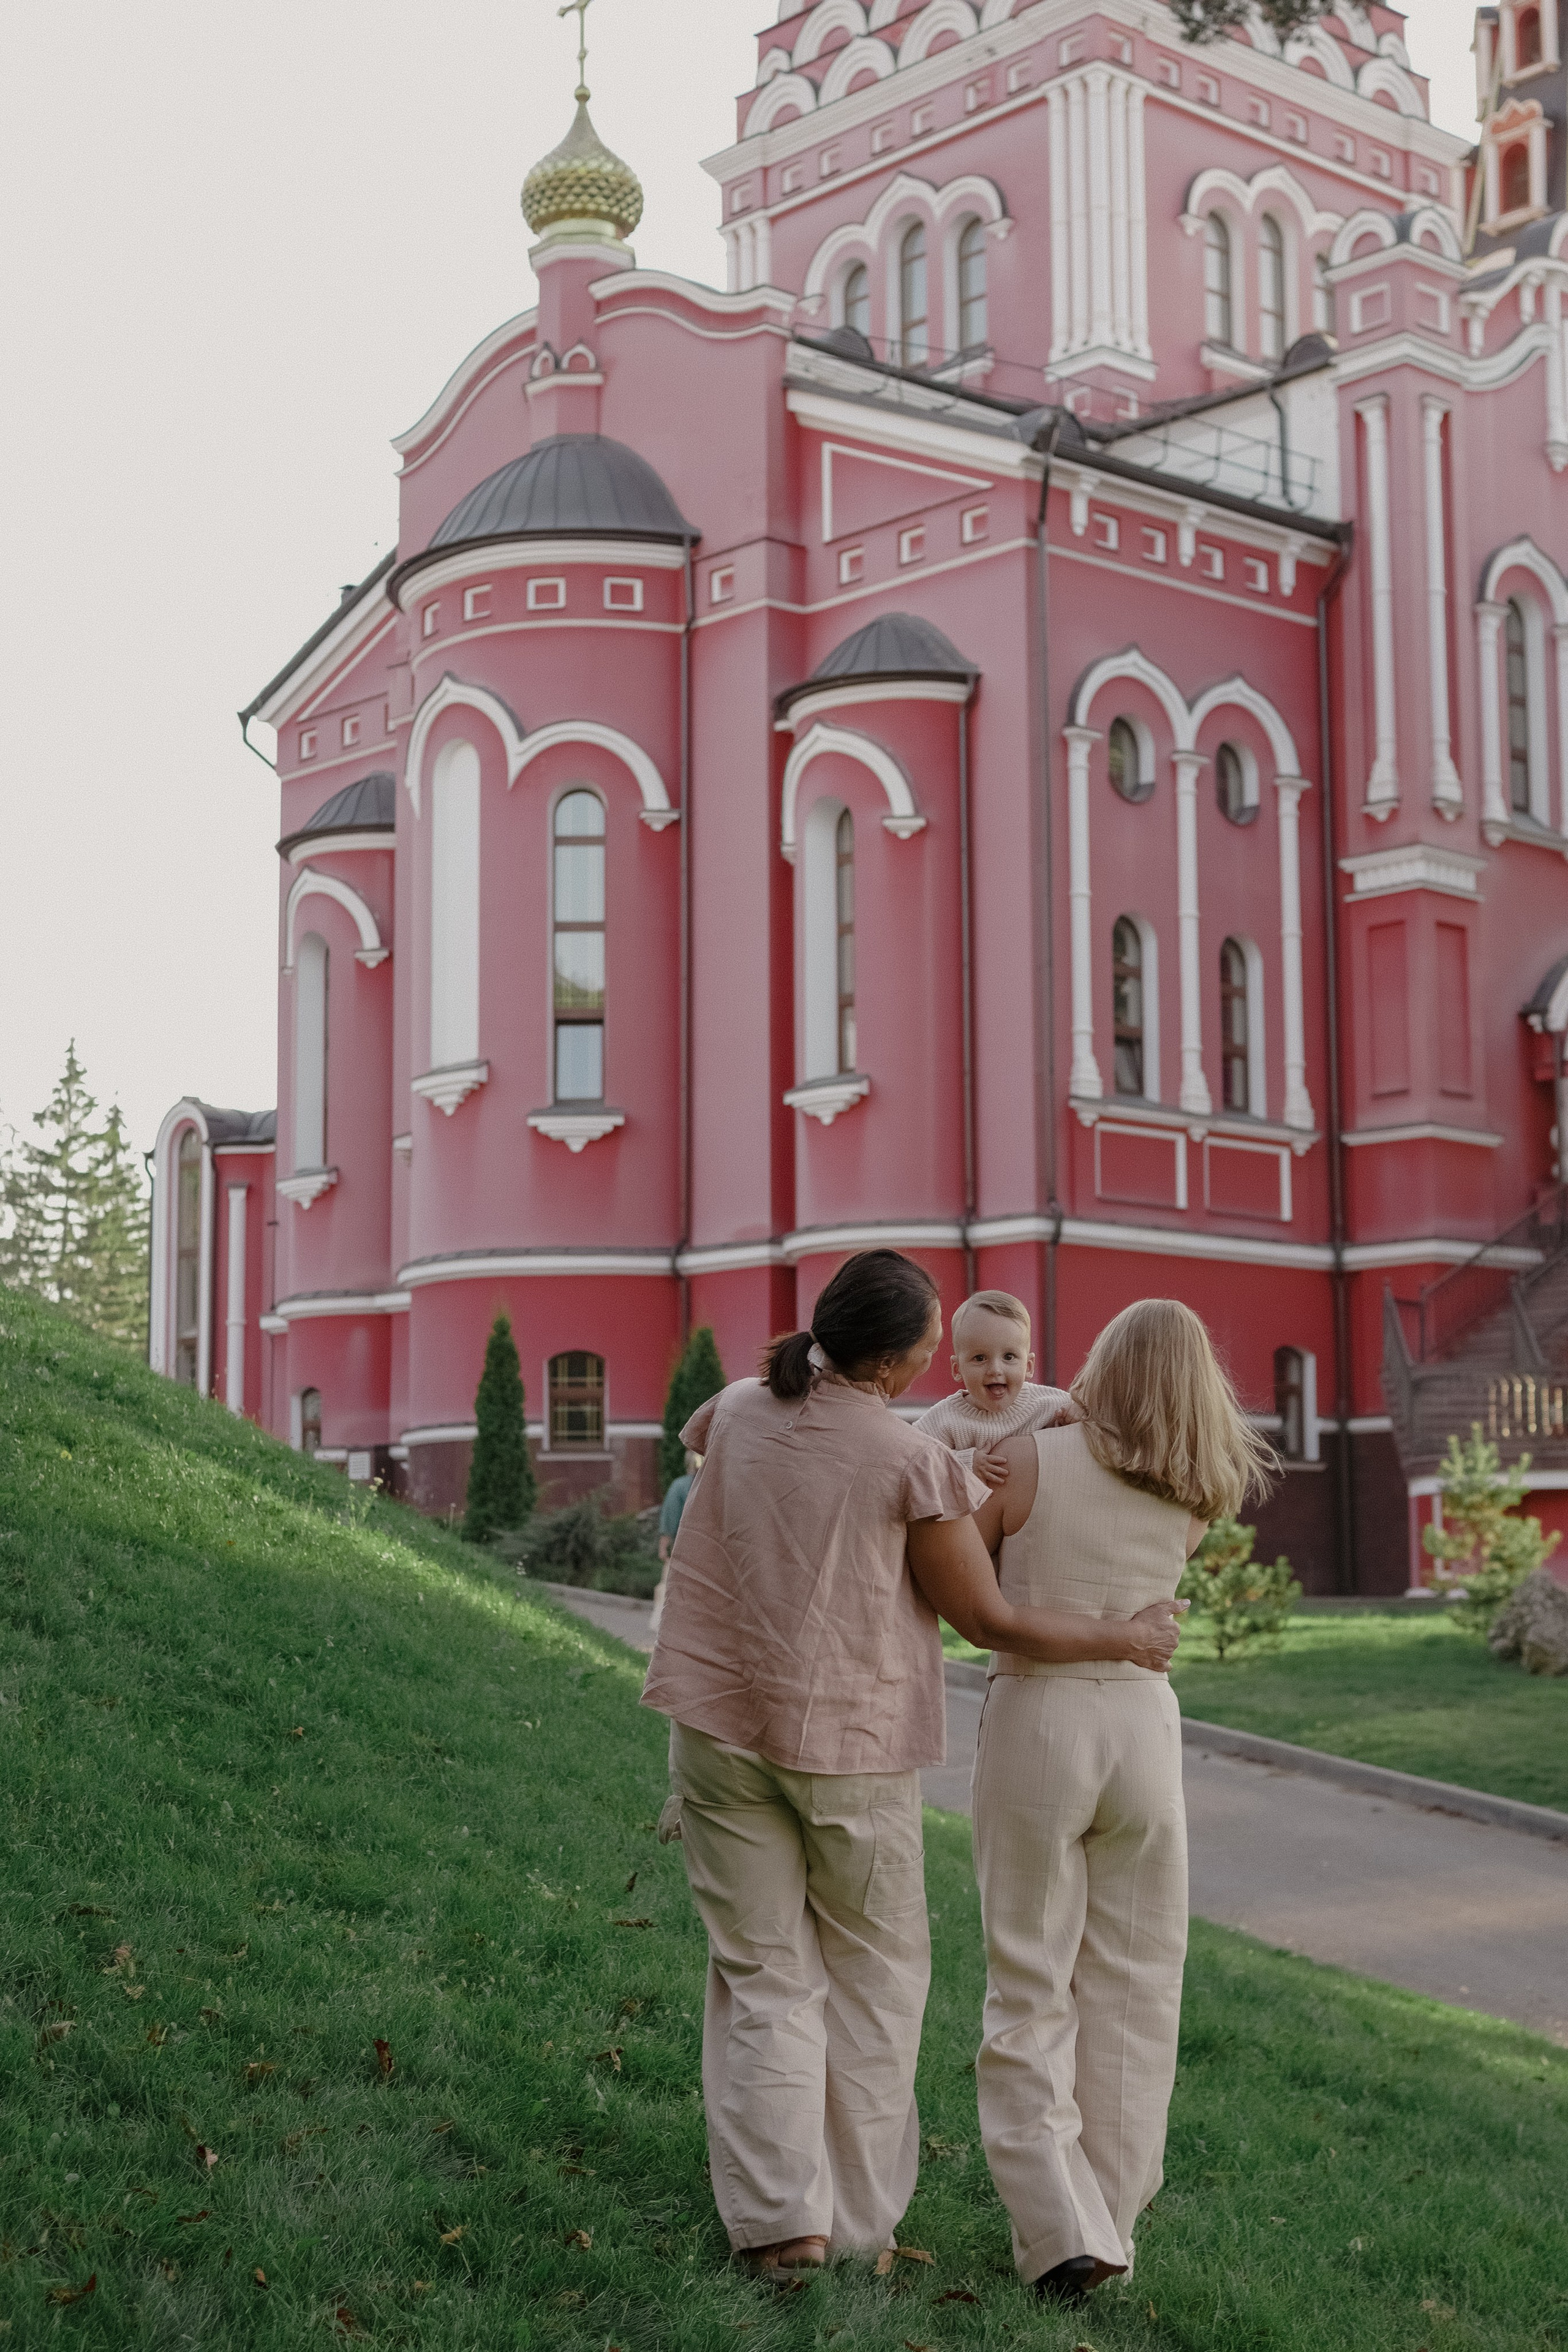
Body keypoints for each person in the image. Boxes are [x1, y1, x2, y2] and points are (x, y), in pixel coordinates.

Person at [639, 1250, 1188, 2278]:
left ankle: (779, 2223)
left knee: (762, 1972)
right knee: (876, 1984)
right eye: (936, 1351)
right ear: (895, 1365)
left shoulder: (738, 1407)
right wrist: (1124, 1637)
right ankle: (854, 2229)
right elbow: (985, 1616)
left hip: (714, 1729)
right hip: (850, 1749)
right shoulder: (912, 1464)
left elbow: (703, 1433)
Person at [970, 1298, 1274, 2306]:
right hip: (1144, 1729)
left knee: (1029, 1978)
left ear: (1101, 1364)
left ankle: (1061, 2227)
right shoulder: (1196, 1493)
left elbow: (966, 1592)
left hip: (1041, 1720)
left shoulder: (1024, 1465)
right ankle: (1114, 2212)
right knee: (1140, 1985)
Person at [913, 1289, 1074, 1489]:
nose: (995, 1370)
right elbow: (914, 1459)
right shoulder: (946, 1419)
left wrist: (1076, 1414)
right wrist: (965, 1461)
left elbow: (1089, 1410)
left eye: (1009, 1357)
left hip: (1030, 1510)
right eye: (979, 1358)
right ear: (957, 1369)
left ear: (1029, 1366)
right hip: (974, 1517)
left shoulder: (1046, 1403)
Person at [648, 1449, 698, 1638]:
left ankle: (667, 1625)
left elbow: (670, 1518)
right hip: (708, 1551)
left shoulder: (679, 1487)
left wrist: (663, 1547)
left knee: (671, 1587)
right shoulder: (714, 1487)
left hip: (681, 1549)